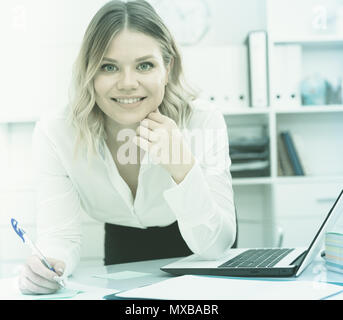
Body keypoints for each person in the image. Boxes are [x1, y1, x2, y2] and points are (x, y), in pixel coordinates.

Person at [18, 0, 236, 295]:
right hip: (123, 244)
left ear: (167, 68)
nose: (128, 83)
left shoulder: (202, 121)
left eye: (145, 65)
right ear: (89, 72)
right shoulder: (57, 132)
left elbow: (214, 247)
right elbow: (60, 236)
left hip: (202, 244)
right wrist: (48, 266)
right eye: (109, 67)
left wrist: (182, 165)